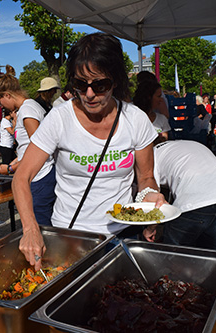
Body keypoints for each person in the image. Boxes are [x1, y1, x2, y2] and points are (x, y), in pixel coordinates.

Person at [12, 33, 165, 270]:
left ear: (115, 81)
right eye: (80, 85)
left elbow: (145, 178)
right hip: (70, 236)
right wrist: (31, 228)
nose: (90, 94)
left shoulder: (135, 119)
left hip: (122, 235)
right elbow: (22, 177)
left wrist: (150, 198)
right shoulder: (60, 119)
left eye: (100, 85)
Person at [0, 65, 56, 226]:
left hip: (40, 176)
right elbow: (28, 147)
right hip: (38, 175)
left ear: (7, 95)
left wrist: (12, 169)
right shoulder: (28, 108)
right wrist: (16, 161)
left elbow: (39, 150)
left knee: (41, 226)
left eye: (0, 102)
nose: (1, 106)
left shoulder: (27, 110)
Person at [154, 140, 216, 250]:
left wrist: (151, 228)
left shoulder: (151, 157)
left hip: (194, 199)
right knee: (213, 257)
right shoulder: (185, 144)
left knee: (176, 255)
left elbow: (154, 198)